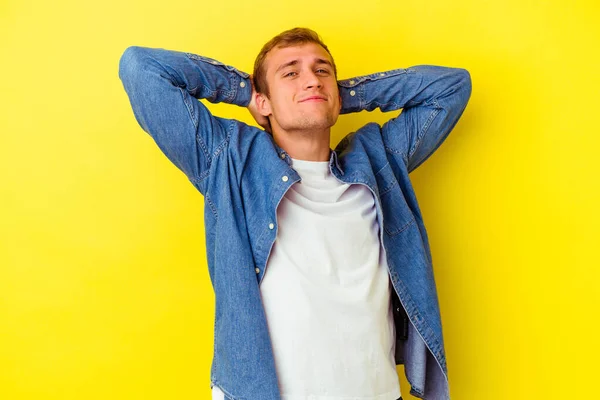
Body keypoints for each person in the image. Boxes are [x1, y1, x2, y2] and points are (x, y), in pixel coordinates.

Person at [118, 27, 471, 400]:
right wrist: (243, 91)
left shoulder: (378, 160)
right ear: (264, 101)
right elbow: (141, 68)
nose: (311, 80)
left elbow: (452, 87)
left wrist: (340, 96)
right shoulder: (230, 159)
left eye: (323, 71)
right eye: (290, 72)